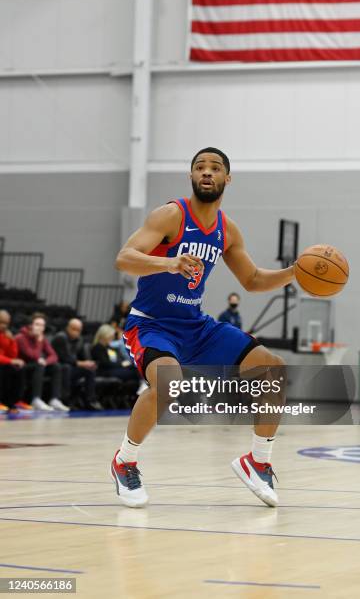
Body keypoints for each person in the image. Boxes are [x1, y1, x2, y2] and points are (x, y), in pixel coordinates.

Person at [111, 147, 294, 508]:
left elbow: (253, 280)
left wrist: (294, 273)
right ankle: (125, 461)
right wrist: (168, 263)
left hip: (196, 326)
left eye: (215, 168)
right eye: (199, 167)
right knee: (168, 382)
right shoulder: (170, 216)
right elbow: (124, 258)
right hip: (152, 324)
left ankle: (258, 461)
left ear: (228, 178)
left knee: (272, 368)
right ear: (192, 177)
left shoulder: (227, 230)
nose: (206, 173)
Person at [15, 313, 66, 411]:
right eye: (37, 324)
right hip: (21, 367)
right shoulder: (21, 337)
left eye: (42, 325)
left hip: (37, 367)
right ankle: (36, 399)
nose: (40, 328)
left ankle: (54, 399)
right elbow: (31, 355)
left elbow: (54, 355)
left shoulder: (42, 338)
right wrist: (38, 342)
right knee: (39, 365)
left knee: (56, 366)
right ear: (30, 325)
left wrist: (46, 362)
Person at [51, 318, 100, 411]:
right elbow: (63, 358)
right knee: (67, 368)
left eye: (78, 330)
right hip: (59, 367)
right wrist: (82, 363)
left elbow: (82, 356)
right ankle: (65, 400)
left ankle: (90, 400)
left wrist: (89, 363)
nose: (76, 332)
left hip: (72, 367)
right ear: (68, 328)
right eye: (73, 329)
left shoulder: (79, 340)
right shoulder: (60, 337)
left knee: (90, 371)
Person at [91, 324, 140, 404]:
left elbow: (119, 359)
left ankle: (142, 384)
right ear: (104, 336)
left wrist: (123, 364)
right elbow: (105, 363)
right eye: (110, 336)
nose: (112, 338)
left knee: (135, 367)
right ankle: (143, 384)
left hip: (116, 369)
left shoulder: (110, 348)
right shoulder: (97, 348)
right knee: (134, 372)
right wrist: (121, 364)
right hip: (106, 371)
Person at [0, 310, 26, 412]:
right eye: (1, 322)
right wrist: (10, 361)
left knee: (18, 370)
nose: (4, 326)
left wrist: (11, 341)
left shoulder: (6, 335)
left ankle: (11, 403)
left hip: (3, 363)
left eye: (6, 323)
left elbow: (13, 355)